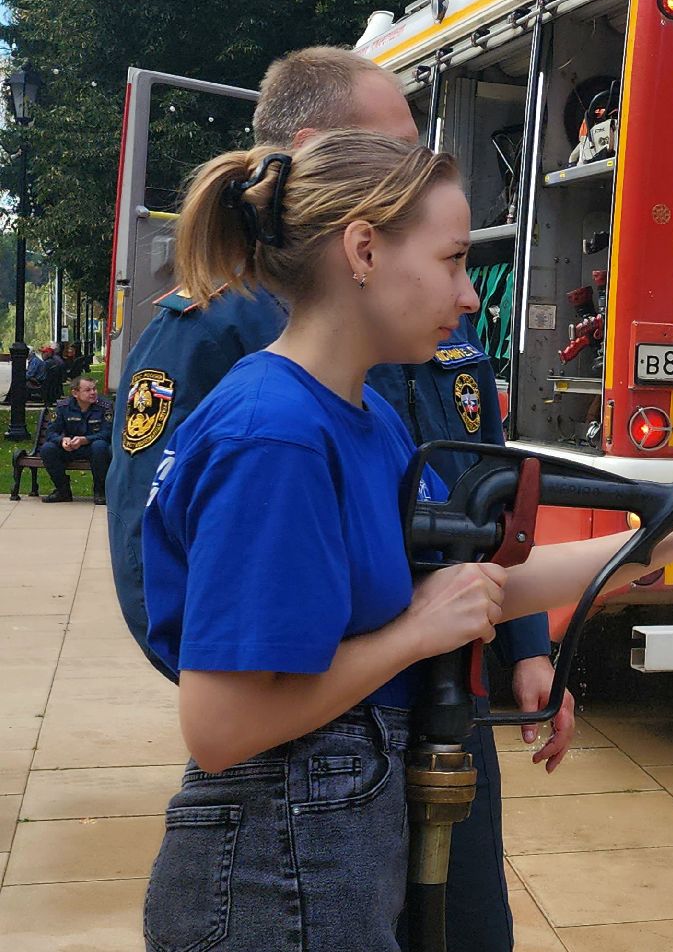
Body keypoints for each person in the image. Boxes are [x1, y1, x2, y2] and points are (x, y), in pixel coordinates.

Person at [140, 131, 673, 950]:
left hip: (323, 848)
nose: (469, 296)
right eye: (455, 260)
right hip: (275, 870)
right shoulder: (277, 436)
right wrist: (414, 634)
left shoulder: (360, 416)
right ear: (363, 249)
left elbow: (484, 583)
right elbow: (221, 726)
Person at [107, 47, 559, 952]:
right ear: (358, 233)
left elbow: (464, 522)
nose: (470, 295)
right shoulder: (247, 370)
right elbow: (184, 606)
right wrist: (303, 684)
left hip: (416, 718)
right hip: (317, 759)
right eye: (395, 151)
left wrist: (670, 536)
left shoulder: (384, 377)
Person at [38, 375, 113, 503]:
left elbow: (108, 433)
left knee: (100, 446)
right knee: (47, 449)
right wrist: (62, 440)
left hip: (93, 447)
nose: (93, 393)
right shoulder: (63, 407)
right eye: (88, 390)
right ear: (75, 393)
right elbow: (51, 432)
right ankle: (63, 491)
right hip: (71, 447)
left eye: (94, 389)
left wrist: (86, 439)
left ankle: (100, 491)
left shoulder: (105, 407)